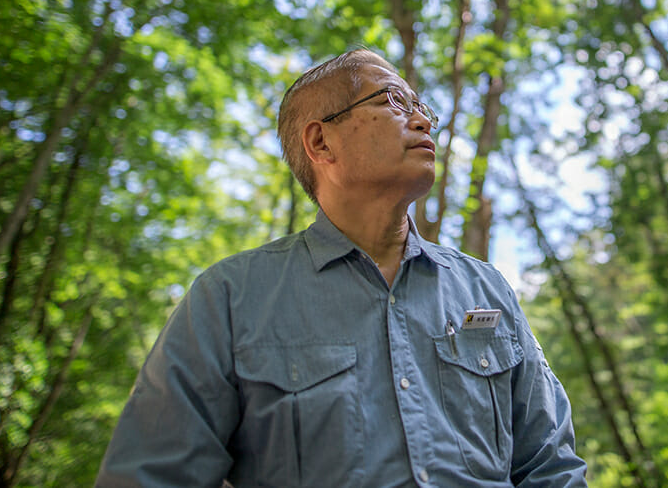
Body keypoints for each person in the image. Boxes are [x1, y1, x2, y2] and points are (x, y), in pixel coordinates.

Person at [96, 48, 587, 487]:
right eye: (393, 101)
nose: (422, 121)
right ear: (321, 143)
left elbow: (552, 468)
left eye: (421, 107)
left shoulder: (487, 288)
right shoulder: (228, 299)